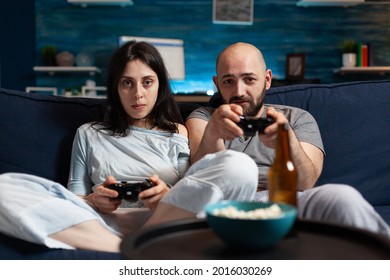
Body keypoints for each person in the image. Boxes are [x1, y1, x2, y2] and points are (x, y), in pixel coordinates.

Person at [0, 41, 258, 253]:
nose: (138, 94)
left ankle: (139, 245)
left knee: (239, 165)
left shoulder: (178, 132)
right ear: (115, 87)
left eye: (147, 82)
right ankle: (125, 249)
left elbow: (192, 190)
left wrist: (165, 196)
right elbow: (73, 197)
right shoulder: (88, 133)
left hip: (165, 221)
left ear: (160, 85)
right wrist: (93, 199)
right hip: (103, 225)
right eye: (127, 83)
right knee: (4, 188)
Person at [185, 42, 390, 237]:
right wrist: (213, 133)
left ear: (267, 80)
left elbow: (306, 181)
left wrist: (286, 141)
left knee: (342, 196)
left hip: (288, 198)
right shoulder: (203, 117)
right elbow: (203, 177)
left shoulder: (297, 118)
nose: (239, 92)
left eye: (249, 79)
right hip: (228, 202)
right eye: (228, 81)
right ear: (217, 83)